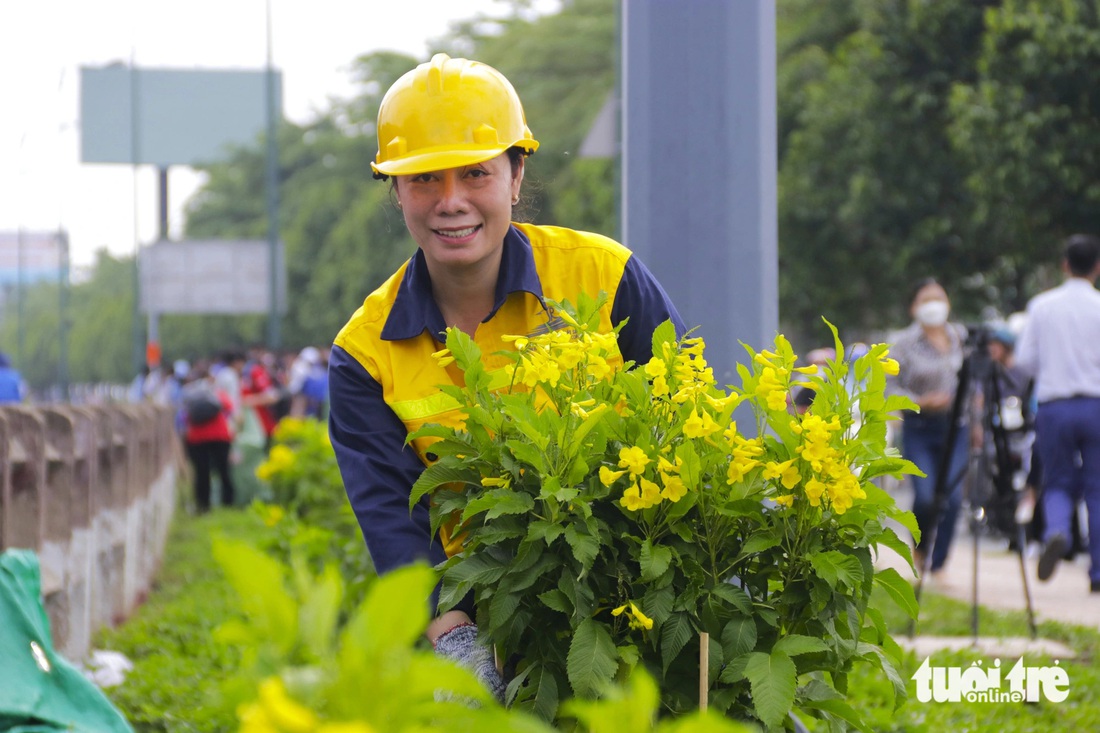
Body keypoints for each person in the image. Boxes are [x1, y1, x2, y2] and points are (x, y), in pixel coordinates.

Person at [327, 53, 685, 700]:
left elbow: (686, 419)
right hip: (481, 618)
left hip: (633, 597)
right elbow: (394, 522)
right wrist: (454, 639)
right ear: (397, 191)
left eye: (475, 173)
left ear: (516, 175)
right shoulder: (364, 353)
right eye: (424, 179)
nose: (450, 201)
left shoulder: (605, 278)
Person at [1014, 233, 1100, 592]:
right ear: (1097, 267)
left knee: (1058, 480)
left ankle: (1057, 530)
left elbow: (1023, 361)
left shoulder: (1042, 306)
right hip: (1096, 405)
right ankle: (1097, 575)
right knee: (1097, 490)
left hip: (1055, 406)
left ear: (1064, 265)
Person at [887, 278, 971, 581]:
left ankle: (939, 564)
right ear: (914, 307)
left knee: (952, 497)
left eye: (939, 297)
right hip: (919, 427)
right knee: (924, 496)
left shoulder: (960, 337)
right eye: (926, 299)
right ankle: (919, 549)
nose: (934, 304)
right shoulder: (904, 344)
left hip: (956, 427)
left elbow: (972, 381)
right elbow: (890, 387)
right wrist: (920, 401)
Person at [181, 368, 237, 513]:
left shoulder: (189, 394)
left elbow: (183, 418)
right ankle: (228, 503)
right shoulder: (217, 393)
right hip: (220, 436)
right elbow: (230, 408)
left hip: (197, 438)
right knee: (224, 471)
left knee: (201, 473)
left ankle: (203, 506)